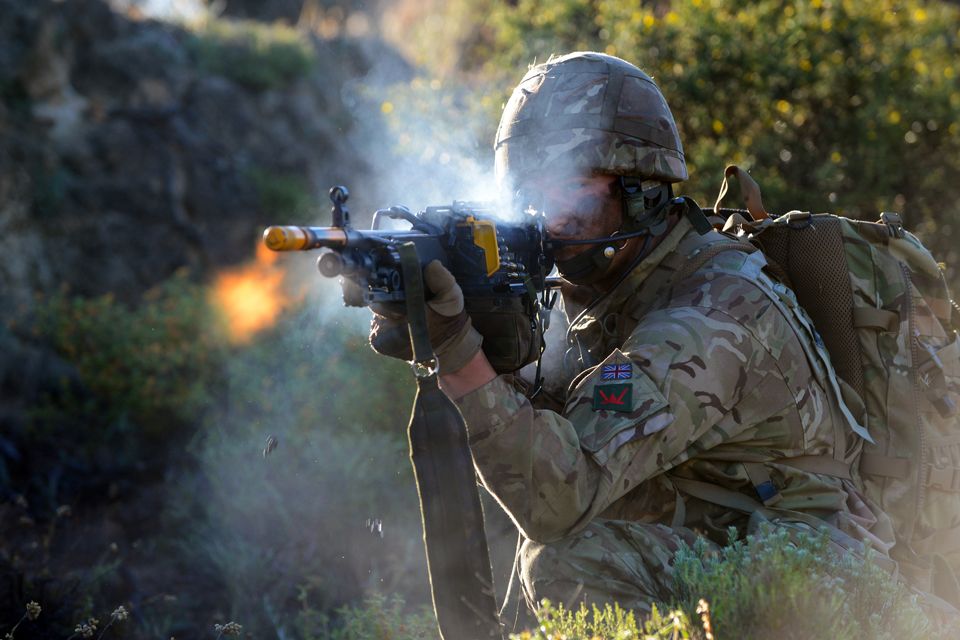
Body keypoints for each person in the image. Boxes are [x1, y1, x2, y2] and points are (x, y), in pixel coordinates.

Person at [370, 52, 899, 614]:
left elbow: (556, 495)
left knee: (565, 561)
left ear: (642, 187)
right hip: (717, 531)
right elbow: (536, 445)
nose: (546, 216)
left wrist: (458, 352)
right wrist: (476, 334)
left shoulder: (712, 312)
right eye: (530, 191)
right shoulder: (611, 285)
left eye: (570, 186)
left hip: (804, 567)